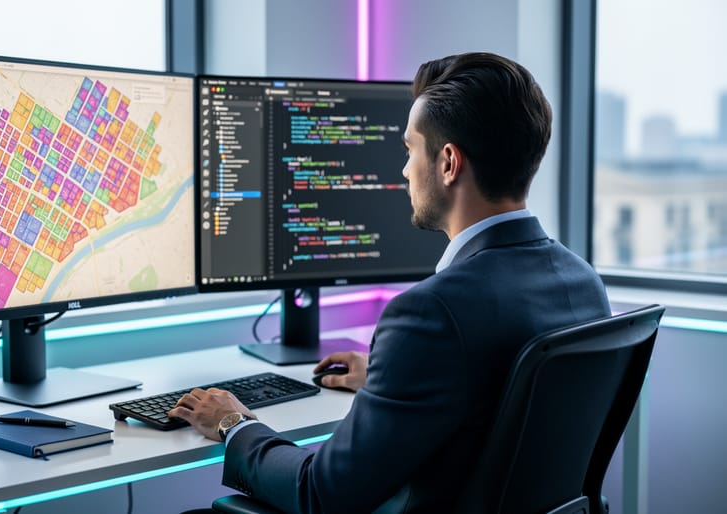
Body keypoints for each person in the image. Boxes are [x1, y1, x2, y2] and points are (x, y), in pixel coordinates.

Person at [170, 52, 611, 513]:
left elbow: (321, 495)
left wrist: (234, 425)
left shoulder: (431, 313)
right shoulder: (582, 283)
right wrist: (391, 378)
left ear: (447, 163)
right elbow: (502, 403)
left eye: (409, 149)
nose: (404, 170)